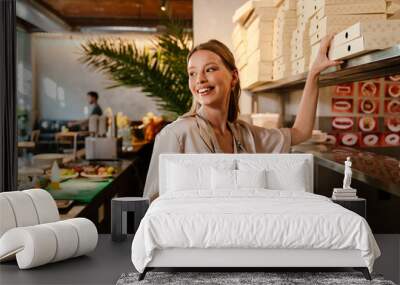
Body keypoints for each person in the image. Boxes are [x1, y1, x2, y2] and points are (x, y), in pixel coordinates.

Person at [143, 35, 342, 200]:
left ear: (234, 77)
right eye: (192, 73)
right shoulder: (176, 134)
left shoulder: (245, 134)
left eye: (210, 69)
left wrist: (314, 73)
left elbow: (301, 132)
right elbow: (152, 204)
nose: (200, 80)